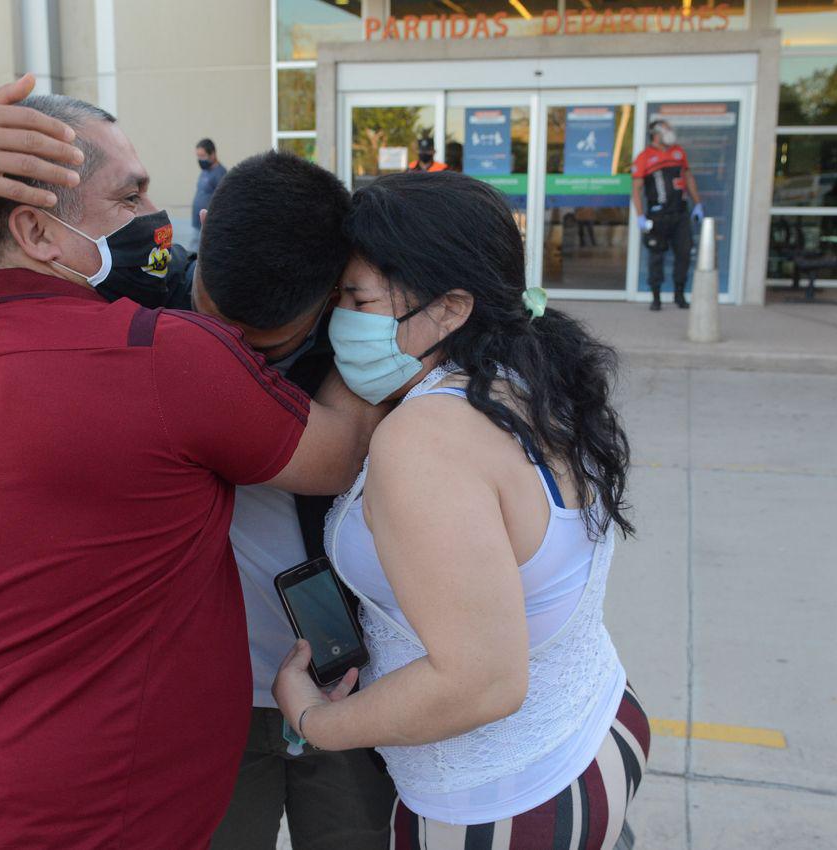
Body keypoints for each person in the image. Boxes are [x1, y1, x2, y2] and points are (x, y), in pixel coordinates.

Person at [0, 77, 398, 849]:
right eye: (130, 197)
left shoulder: (351, 321)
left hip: (349, 676)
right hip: (208, 723)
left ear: (329, 296)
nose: (150, 219)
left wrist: (376, 322)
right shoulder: (153, 320)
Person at [272, 170, 647, 850]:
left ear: (449, 308)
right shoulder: (529, 372)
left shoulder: (425, 441)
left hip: (499, 799)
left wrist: (314, 720)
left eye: (357, 298)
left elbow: (480, 683)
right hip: (590, 726)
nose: (339, 322)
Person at [631, 119, 703, 311]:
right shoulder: (644, 157)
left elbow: (688, 178)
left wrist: (698, 204)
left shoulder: (678, 152)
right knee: (656, 257)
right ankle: (656, 297)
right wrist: (640, 216)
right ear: (656, 133)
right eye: (666, 129)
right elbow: (636, 190)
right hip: (657, 216)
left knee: (684, 254)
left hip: (680, 214)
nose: (670, 132)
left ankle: (679, 294)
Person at [192, 137, 226, 251]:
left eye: (202, 156)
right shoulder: (205, 171)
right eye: (198, 156)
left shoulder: (220, 173)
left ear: (212, 154)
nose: (200, 159)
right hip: (196, 222)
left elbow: (223, 200)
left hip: (208, 225)